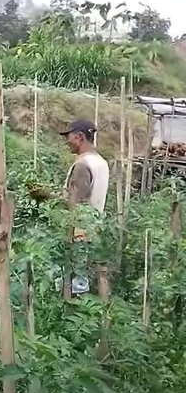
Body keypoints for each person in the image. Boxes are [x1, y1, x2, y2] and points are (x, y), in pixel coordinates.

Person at [59, 119, 110, 296]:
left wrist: (48, 197)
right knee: (85, 276)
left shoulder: (82, 165)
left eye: (69, 137)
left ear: (80, 136)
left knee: (75, 281)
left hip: (79, 231)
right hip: (94, 227)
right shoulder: (101, 162)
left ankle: (71, 314)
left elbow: (76, 202)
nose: (67, 141)